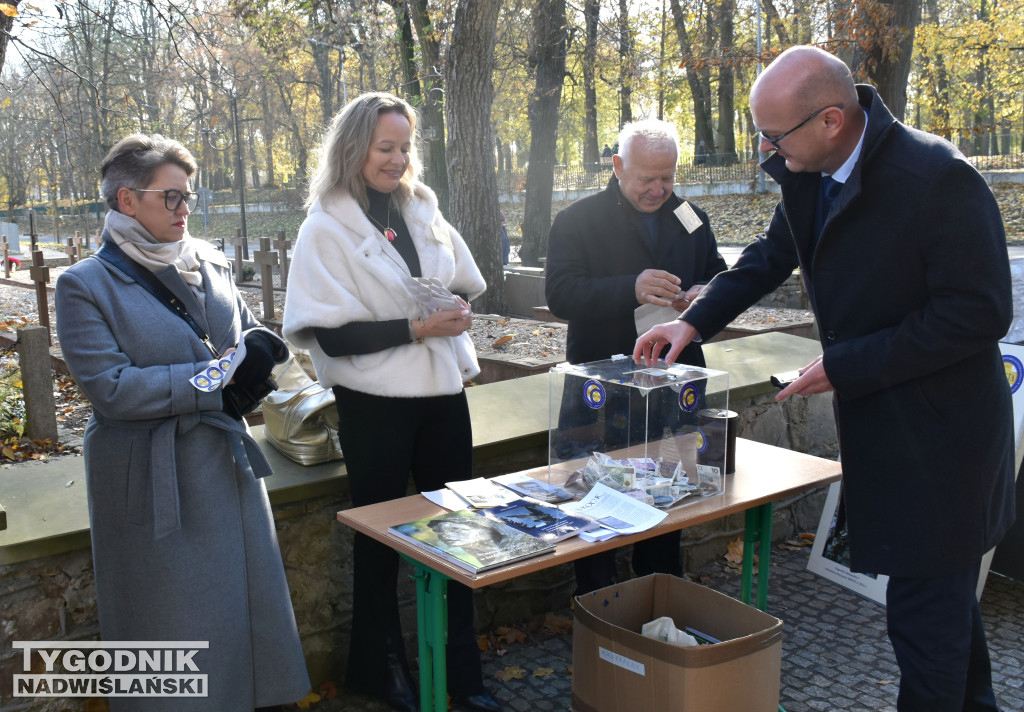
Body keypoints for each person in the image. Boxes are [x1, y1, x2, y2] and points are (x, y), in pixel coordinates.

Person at [635, 46, 1015, 712]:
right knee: (942, 610)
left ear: (832, 120)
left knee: (924, 620)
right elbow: (768, 257)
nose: (763, 149)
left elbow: (979, 313)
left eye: (774, 135)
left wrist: (846, 363)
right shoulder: (807, 168)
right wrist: (694, 322)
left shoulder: (937, 178)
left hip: (942, 443)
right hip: (886, 433)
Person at [54, 134, 309, 712]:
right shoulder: (84, 285)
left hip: (225, 464)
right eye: (171, 197)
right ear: (126, 200)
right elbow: (111, 390)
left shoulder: (209, 262)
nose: (184, 209)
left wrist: (258, 363)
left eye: (189, 197)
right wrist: (213, 383)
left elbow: (242, 339)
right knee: (169, 625)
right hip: (150, 477)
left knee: (243, 616)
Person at [282, 92, 501, 712]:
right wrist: (414, 329)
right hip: (374, 401)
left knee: (460, 531)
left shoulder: (421, 205)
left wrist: (456, 312)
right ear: (354, 148)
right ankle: (384, 672)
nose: (398, 158)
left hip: (441, 395)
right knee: (380, 540)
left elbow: (464, 282)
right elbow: (329, 335)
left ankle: (464, 672)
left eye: (405, 146)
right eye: (386, 147)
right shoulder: (324, 227)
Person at [545, 119, 728, 595]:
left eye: (668, 177)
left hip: (676, 381)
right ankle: (600, 605)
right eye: (647, 178)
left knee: (672, 496)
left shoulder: (691, 217)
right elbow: (561, 295)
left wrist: (707, 295)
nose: (659, 189)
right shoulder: (577, 220)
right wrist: (629, 288)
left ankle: (662, 596)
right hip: (601, 388)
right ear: (618, 166)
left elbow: (720, 276)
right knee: (597, 501)